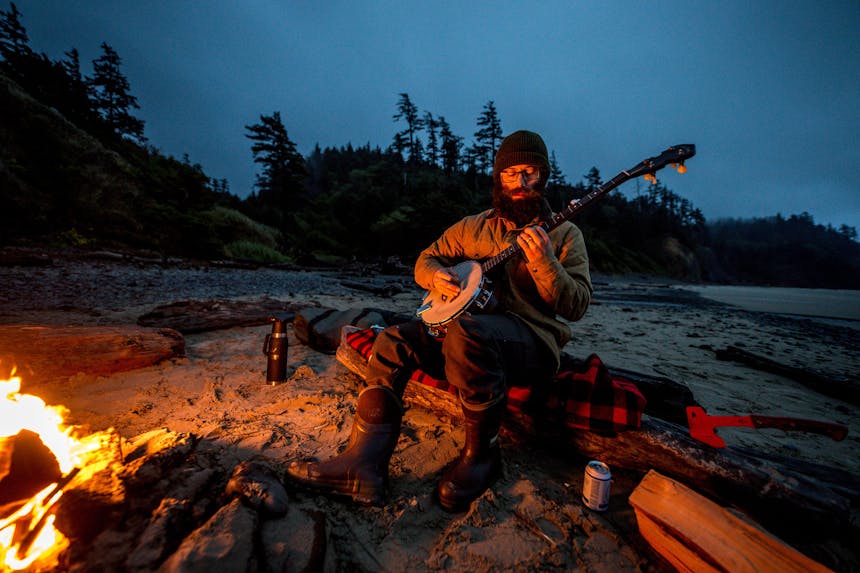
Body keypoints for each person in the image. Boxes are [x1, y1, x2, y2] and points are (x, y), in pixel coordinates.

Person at [286, 130, 592, 511]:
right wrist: (435, 277)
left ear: (544, 176)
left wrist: (544, 261)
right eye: (511, 173)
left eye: (530, 172)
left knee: (467, 332)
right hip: (467, 340)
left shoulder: (565, 233)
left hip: (532, 345)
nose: (521, 182)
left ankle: (483, 456)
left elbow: (577, 305)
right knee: (392, 341)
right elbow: (425, 259)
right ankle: (362, 466)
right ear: (498, 177)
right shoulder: (472, 228)